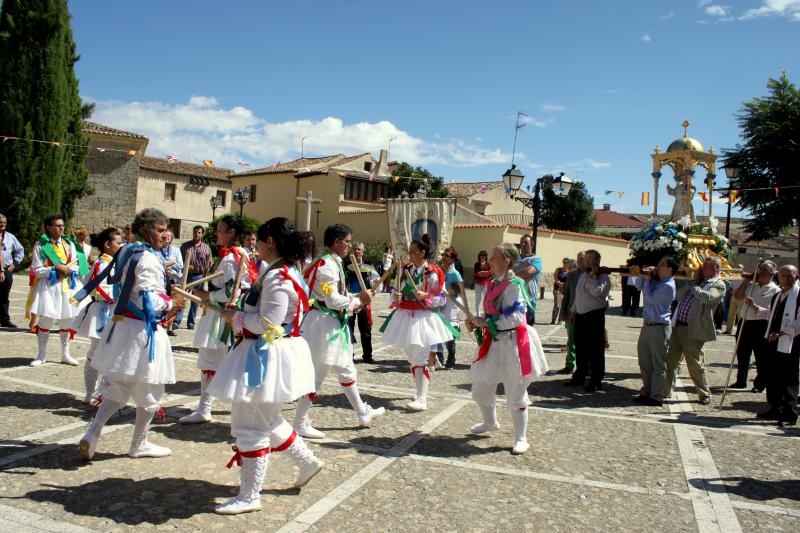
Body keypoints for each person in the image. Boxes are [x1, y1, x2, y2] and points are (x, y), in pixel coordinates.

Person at [209, 217, 323, 514]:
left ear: (269, 241)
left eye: (258, 241)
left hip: (265, 353)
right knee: (266, 416)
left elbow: (268, 323)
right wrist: (238, 313)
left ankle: (250, 495)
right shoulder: (284, 272)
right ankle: (306, 460)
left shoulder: (278, 277)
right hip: (271, 350)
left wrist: (236, 319)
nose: (256, 246)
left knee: (249, 423)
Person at [77, 208, 187, 460]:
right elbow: (149, 298)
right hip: (142, 331)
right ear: (147, 230)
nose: (165, 234)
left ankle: (92, 433)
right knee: (150, 392)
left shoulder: (128, 249)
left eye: (166, 229)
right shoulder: (148, 258)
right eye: (160, 230)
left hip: (124, 326)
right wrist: (172, 303)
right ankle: (140, 443)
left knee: (120, 386)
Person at [295, 223, 384, 439]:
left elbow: (336, 295)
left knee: (345, 369)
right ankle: (300, 422)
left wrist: (356, 298)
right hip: (323, 325)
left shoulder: (330, 262)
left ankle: (362, 412)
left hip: (330, 324)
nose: (350, 246)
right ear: (336, 242)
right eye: (347, 242)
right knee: (316, 375)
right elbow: (332, 300)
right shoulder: (326, 265)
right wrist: (357, 301)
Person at [466, 243, 548, 454]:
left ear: (507, 261)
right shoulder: (493, 283)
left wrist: (486, 323)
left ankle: (521, 437)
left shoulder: (515, 284)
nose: (489, 261)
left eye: (494, 258)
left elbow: (516, 317)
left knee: (515, 389)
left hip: (513, 342)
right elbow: (491, 314)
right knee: (481, 385)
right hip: (494, 340)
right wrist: (478, 321)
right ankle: (489, 422)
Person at [180, 216, 255, 424]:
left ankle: (209, 409)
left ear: (231, 232)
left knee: (212, 361)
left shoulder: (232, 258)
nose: (216, 233)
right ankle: (210, 408)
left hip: (220, 318)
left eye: (221, 230)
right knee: (221, 362)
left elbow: (234, 291)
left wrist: (207, 296)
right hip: (224, 315)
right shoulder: (239, 255)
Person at [380, 234, 459, 411]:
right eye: (409, 252)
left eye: (414, 252)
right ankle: (419, 392)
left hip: (423, 317)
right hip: (405, 315)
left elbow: (442, 299)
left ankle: (422, 399)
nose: (410, 255)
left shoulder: (433, 272)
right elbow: (394, 290)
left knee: (420, 356)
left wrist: (427, 297)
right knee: (411, 355)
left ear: (423, 253)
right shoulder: (404, 269)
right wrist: (396, 296)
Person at [664, 256, 726, 405]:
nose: (702, 269)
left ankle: (704, 394)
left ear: (716, 268)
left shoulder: (718, 284)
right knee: (671, 361)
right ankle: (666, 391)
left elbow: (708, 298)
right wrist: (689, 285)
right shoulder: (698, 282)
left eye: (706, 266)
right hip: (678, 326)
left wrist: (695, 288)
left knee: (695, 364)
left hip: (694, 329)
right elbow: (677, 297)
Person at [26, 214, 86, 367]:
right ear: (48, 227)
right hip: (49, 287)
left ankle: (65, 354)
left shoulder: (69, 243)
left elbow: (79, 266)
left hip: (67, 286)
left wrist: (69, 269)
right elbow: (36, 270)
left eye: (62, 225)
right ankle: (41, 355)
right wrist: (54, 269)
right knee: (46, 319)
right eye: (57, 225)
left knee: (67, 321)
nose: (61, 228)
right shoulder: (41, 245)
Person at [744, 264, 800, 426]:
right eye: (783, 275)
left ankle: (789, 412)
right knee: (772, 374)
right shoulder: (778, 295)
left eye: (790, 275)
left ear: (796, 277)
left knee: (788, 376)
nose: (786, 278)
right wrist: (755, 307)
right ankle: (775, 407)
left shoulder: (798, 294)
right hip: (773, 339)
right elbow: (770, 314)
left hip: (790, 341)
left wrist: (783, 333)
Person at [72, 228, 123, 404]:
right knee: (96, 353)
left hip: (112, 310)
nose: (121, 244)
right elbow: (98, 286)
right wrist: (119, 296)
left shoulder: (115, 262)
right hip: (102, 311)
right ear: (107, 245)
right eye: (118, 242)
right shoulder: (101, 263)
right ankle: (92, 393)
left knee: (108, 352)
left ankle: (101, 392)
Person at [633, 256, 678, 407]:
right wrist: (643, 275)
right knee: (644, 360)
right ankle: (647, 391)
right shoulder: (655, 280)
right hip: (647, 325)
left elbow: (650, 299)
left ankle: (657, 396)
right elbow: (638, 285)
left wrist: (647, 281)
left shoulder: (668, 286)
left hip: (659, 327)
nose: (657, 266)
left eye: (661, 265)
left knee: (658, 364)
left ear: (669, 269)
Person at [565, 250, 611, 392]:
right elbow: (578, 295)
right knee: (581, 348)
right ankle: (580, 376)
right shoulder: (583, 275)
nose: (584, 262)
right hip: (580, 316)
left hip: (594, 316)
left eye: (587, 260)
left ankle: (596, 380)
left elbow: (596, 292)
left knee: (595, 351)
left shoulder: (603, 277)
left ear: (595, 261)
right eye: (584, 260)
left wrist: (592, 277)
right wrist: (573, 310)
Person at [729, 261, 779, 390]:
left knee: (761, 356)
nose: (761, 272)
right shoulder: (752, 285)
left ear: (772, 273)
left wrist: (754, 306)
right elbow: (738, 296)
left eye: (764, 270)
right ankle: (741, 380)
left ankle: (760, 383)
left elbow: (771, 312)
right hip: (745, 322)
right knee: (742, 353)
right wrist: (746, 280)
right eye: (760, 269)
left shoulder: (775, 290)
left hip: (761, 325)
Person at [346, 241, 379, 364]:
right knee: (348, 329)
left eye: (359, 249)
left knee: (366, 330)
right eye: (354, 249)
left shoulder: (369, 267)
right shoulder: (345, 266)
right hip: (349, 301)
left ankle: (367, 355)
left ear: (363, 252)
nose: (357, 251)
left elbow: (375, 283)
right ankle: (349, 355)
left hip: (364, 302)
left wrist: (375, 287)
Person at [433, 248, 464, 368]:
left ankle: (451, 358)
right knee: (437, 334)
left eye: (446, 255)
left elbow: (459, 292)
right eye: (443, 255)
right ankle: (439, 358)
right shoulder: (440, 270)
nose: (443, 257)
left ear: (452, 259)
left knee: (449, 337)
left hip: (449, 308)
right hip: (438, 305)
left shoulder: (455, 274)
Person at [178, 226, 213, 330]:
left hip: (199, 276)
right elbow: (179, 260)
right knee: (182, 297)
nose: (197, 234)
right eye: (195, 232)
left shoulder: (206, 248)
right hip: (186, 275)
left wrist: (206, 273)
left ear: (202, 234)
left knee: (196, 300)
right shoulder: (185, 246)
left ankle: (191, 322)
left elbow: (209, 263)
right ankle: (177, 321)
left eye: (199, 232)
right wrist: (186, 265)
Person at [557, 254, 583, 374]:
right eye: (580, 259)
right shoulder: (571, 275)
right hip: (572, 314)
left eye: (584, 259)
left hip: (586, 314)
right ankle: (569, 365)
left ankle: (584, 368)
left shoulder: (592, 275)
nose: (582, 261)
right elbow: (566, 295)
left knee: (585, 342)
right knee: (571, 341)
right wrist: (563, 313)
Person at [0, 213, 24, 328]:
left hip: (6, 269)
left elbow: (20, 250)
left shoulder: (10, 237)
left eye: (4, 223)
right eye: (0, 223)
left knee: (4, 296)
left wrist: (14, 264)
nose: (2, 225)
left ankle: (4, 320)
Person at [513, 235, 542, 325]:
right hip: (514, 298)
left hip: (528, 300)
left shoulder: (536, 259)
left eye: (526, 242)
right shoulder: (514, 259)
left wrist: (510, 277)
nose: (523, 244)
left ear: (532, 245)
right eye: (521, 242)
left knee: (528, 330)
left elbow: (528, 272)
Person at [160, 230, 184, 337]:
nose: (167, 237)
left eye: (169, 235)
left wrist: (171, 266)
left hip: (173, 279)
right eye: (165, 236)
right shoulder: (157, 250)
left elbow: (180, 265)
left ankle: (169, 328)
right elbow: (159, 264)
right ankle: (159, 325)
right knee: (162, 302)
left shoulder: (176, 250)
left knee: (172, 304)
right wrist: (170, 262)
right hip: (161, 280)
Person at [551, 258, 570, 324]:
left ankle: (560, 320)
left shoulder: (569, 271)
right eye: (564, 262)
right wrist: (558, 282)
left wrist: (564, 285)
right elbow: (555, 276)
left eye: (567, 262)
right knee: (556, 304)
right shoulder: (558, 269)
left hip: (565, 291)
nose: (565, 264)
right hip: (557, 290)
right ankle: (553, 319)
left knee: (563, 305)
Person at [473, 250, 491, 317]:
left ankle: (485, 313)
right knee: (478, 299)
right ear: (479, 256)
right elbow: (476, 273)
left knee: (485, 299)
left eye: (484, 256)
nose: (482, 257)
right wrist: (485, 273)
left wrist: (482, 273)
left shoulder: (488, 264)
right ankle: (477, 314)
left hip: (485, 284)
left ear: (486, 257)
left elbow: (490, 273)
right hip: (477, 284)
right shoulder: (476, 264)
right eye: (481, 256)